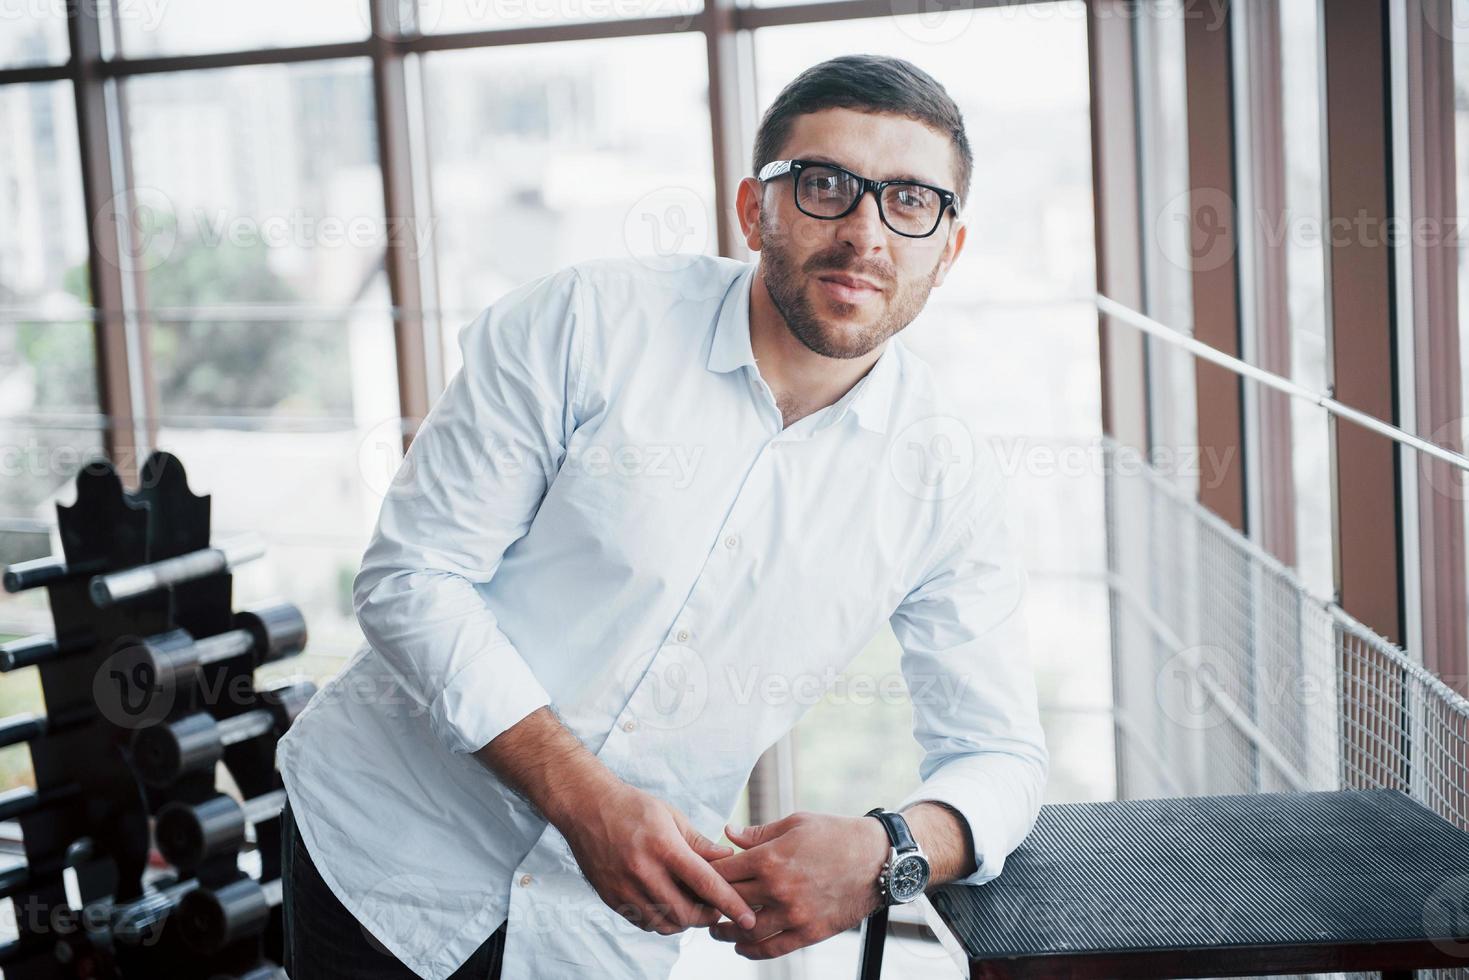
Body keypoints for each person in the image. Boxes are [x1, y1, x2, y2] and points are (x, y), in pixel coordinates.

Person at [276, 52, 1048, 980]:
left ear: (948, 249)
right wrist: (587, 800)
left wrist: (885, 852)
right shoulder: (583, 322)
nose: (864, 234)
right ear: (753, 208)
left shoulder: (947, 478)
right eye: (824, 185)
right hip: (384, 856)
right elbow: (413, 580)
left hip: (599, 940)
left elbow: (999, 754)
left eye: (909, 202)